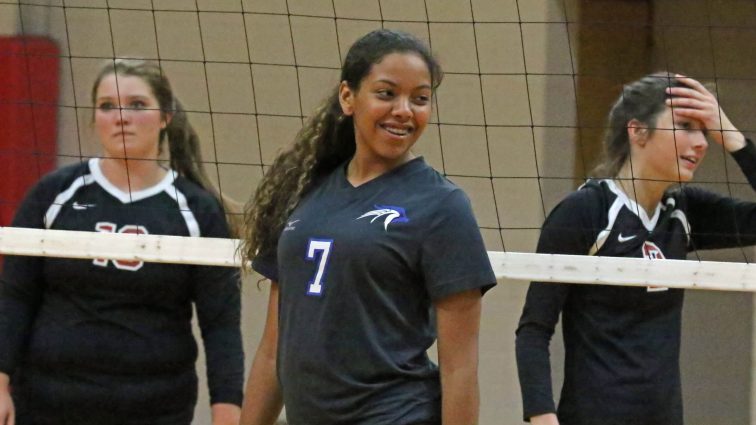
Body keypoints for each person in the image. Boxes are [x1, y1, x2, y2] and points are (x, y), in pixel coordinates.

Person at [239, 29, 497, 425]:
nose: (405, 110)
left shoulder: (442, 206)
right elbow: (273, 349)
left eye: (420, 98)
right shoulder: (305, 194)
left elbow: (460, 368)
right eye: (387, 93)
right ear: (348, 97)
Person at [0, 59, 244, 425]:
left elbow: (220, 323)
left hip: (153, 407)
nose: (121, 116)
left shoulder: (196, 211)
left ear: (165, 117)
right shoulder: (54, 194)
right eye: (106, 106)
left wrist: (227, 412)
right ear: (94, 119)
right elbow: (14, 295)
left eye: (137, 105)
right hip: (50, 403)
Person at [515, 72, 756, 425]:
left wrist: (732, 137)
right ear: (638, 131)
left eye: (704, 130)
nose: (702, 142)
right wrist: (542, 416)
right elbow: (534, 329)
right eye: (685, 125)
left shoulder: (683, 212)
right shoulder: (585, 211)